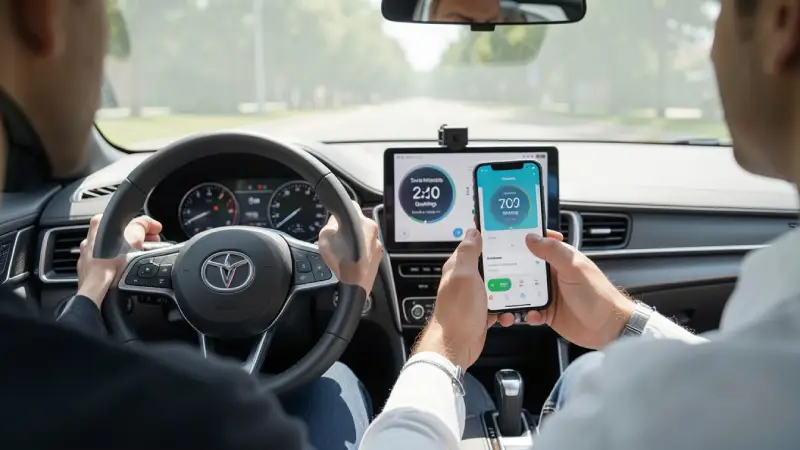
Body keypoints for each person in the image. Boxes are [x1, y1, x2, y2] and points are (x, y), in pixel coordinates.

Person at [362, 0, 800, 448]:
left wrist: (444, 346)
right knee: (588, 368)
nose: (710, 50)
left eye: (721, 13)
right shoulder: (767, 368)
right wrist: (621, 323)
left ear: (780, 21)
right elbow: (721, 376)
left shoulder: (640, 420)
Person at [0, 1, 386, 448]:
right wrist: (436, 344)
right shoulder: (216, 417)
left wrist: (91, 290)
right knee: (336, 378)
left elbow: (55, 376)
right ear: (44, 14)